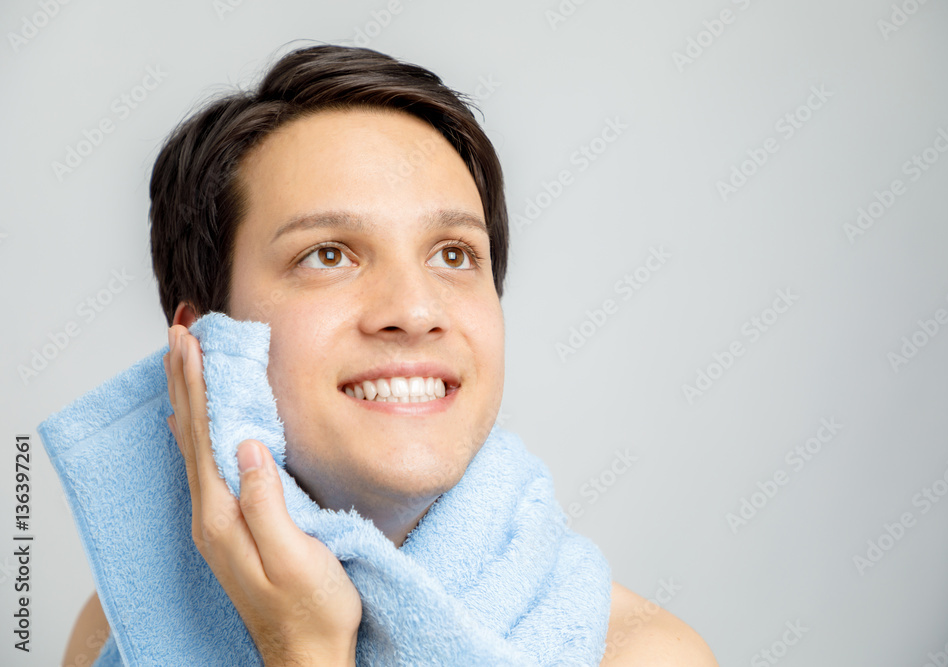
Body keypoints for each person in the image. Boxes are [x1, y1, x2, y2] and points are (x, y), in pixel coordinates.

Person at [62, 43, 718, 666]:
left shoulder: (642, 653)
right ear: (204, 345)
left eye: (453, 254)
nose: (415, 309)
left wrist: (304, 649)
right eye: (327, 254)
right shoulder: (119, 627)